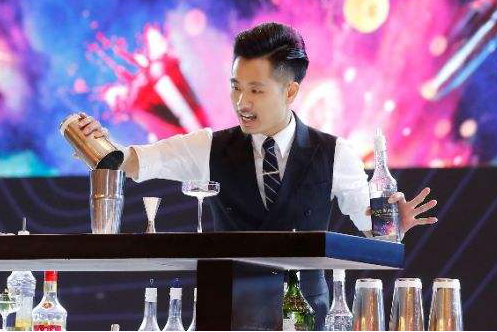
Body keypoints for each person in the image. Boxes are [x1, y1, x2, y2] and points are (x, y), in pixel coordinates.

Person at [71, 22, 438, 325]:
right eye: (235, 87)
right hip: (227, 314)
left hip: (304, 318)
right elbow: (135, 160)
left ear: (290, 91)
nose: (241, 103)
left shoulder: (335, 154)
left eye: (255, 91)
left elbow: (370, 226)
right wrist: (101, 147)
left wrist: (394, 226)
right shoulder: (209, 146)